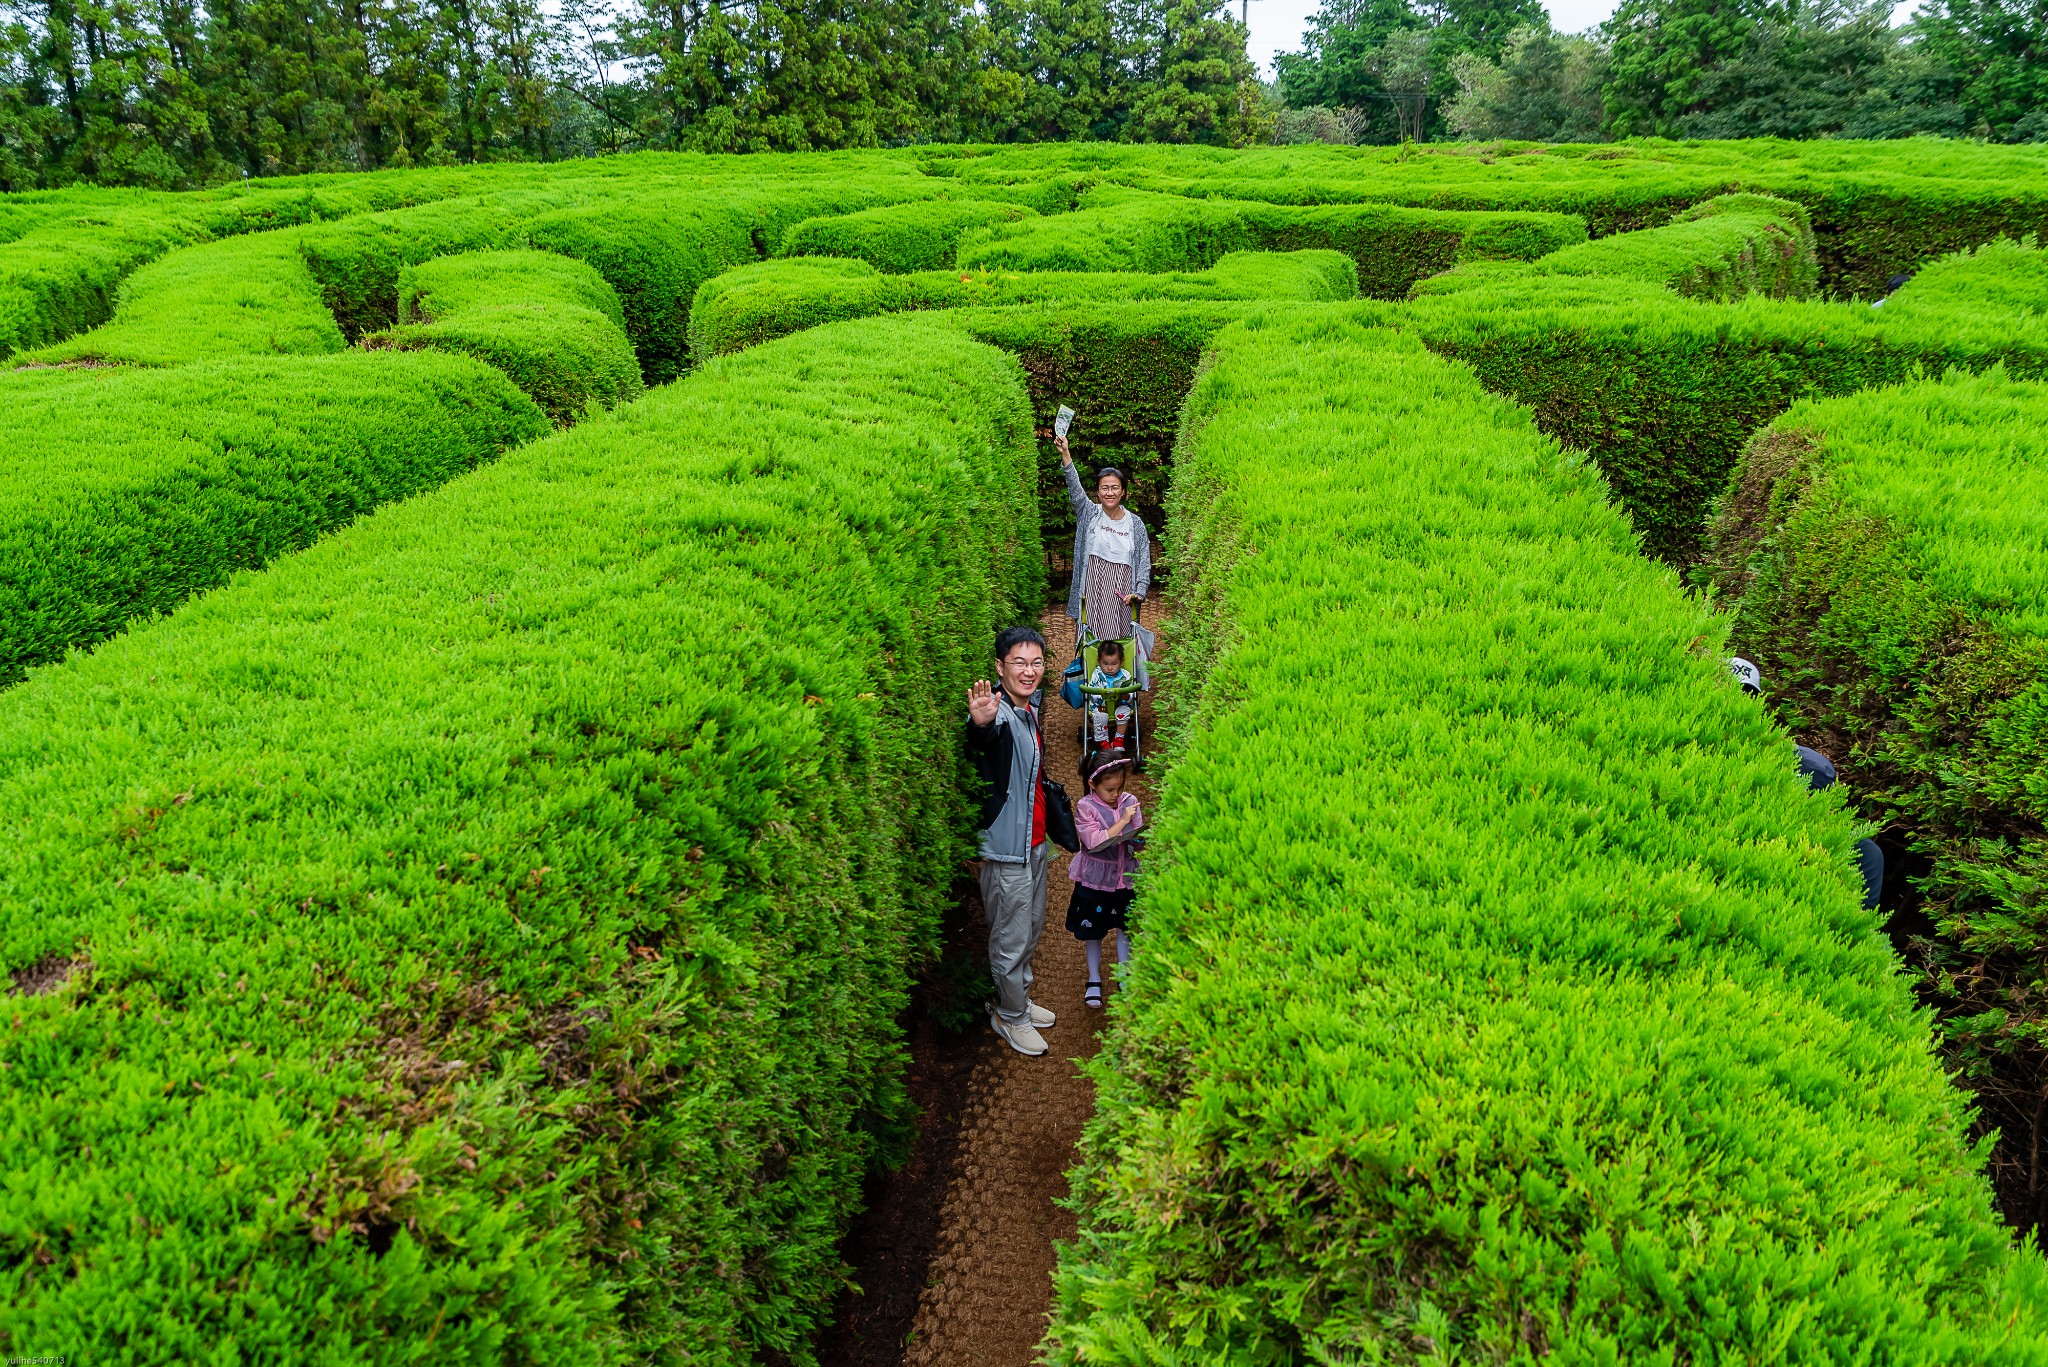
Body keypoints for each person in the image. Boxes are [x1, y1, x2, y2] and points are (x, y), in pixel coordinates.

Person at [966, 625, 1060, 1057]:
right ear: (999, 667)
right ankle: (1010, 1017)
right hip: (1007, 853)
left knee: (1029, 929)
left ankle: (1017, 1000)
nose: (1028, 671)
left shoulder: (1028, 709)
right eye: (1018, 663)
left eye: (1036, 662)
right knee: (1009, 940)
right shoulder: (999, 714)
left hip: (1034, 845)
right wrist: (980, 721)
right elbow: (984, 737)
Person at [1057, 432, 1151, 646]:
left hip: (1122, 600)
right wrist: (1065, 454)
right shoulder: (1089, 513)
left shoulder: (1135, 524)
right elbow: (1074, 488)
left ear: (1123, 492)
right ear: (1098, 492)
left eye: (1115, 487)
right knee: (1091, 648)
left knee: (1122, 650)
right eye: (1104, 488)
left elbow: (1144, 563)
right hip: (1091, 595)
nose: (1110, 492)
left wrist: (1138, 593)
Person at [1068, 751, 1141, 1009]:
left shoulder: (1129, 800)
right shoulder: (1086, 807)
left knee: (1125, 927)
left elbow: (1134, 834)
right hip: (1094, 881)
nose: (1116, 794)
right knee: (1093, 931)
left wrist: (1137, 839)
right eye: (1109, 789)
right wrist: (1123, 820)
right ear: (1092, 784)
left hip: (1125, 878)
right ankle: (1094, 979)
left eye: (1120, 788)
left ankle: (1124, 974)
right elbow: (1094, 842)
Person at [1087, 638, 1136, 751]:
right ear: (1099, 661)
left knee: (1123, 712)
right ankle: (1104, 741)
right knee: (1100, 716)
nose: (1109, 668)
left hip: (1120, 705)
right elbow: (1091, 691)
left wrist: (1128, 696)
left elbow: (1132, 692)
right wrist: (1101, 697)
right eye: (1106, 664)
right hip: (1101, 706)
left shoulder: (1125, 675)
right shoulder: (1097, 675)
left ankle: (1119, 739)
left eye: (1114, 664)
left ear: (1121, 662)